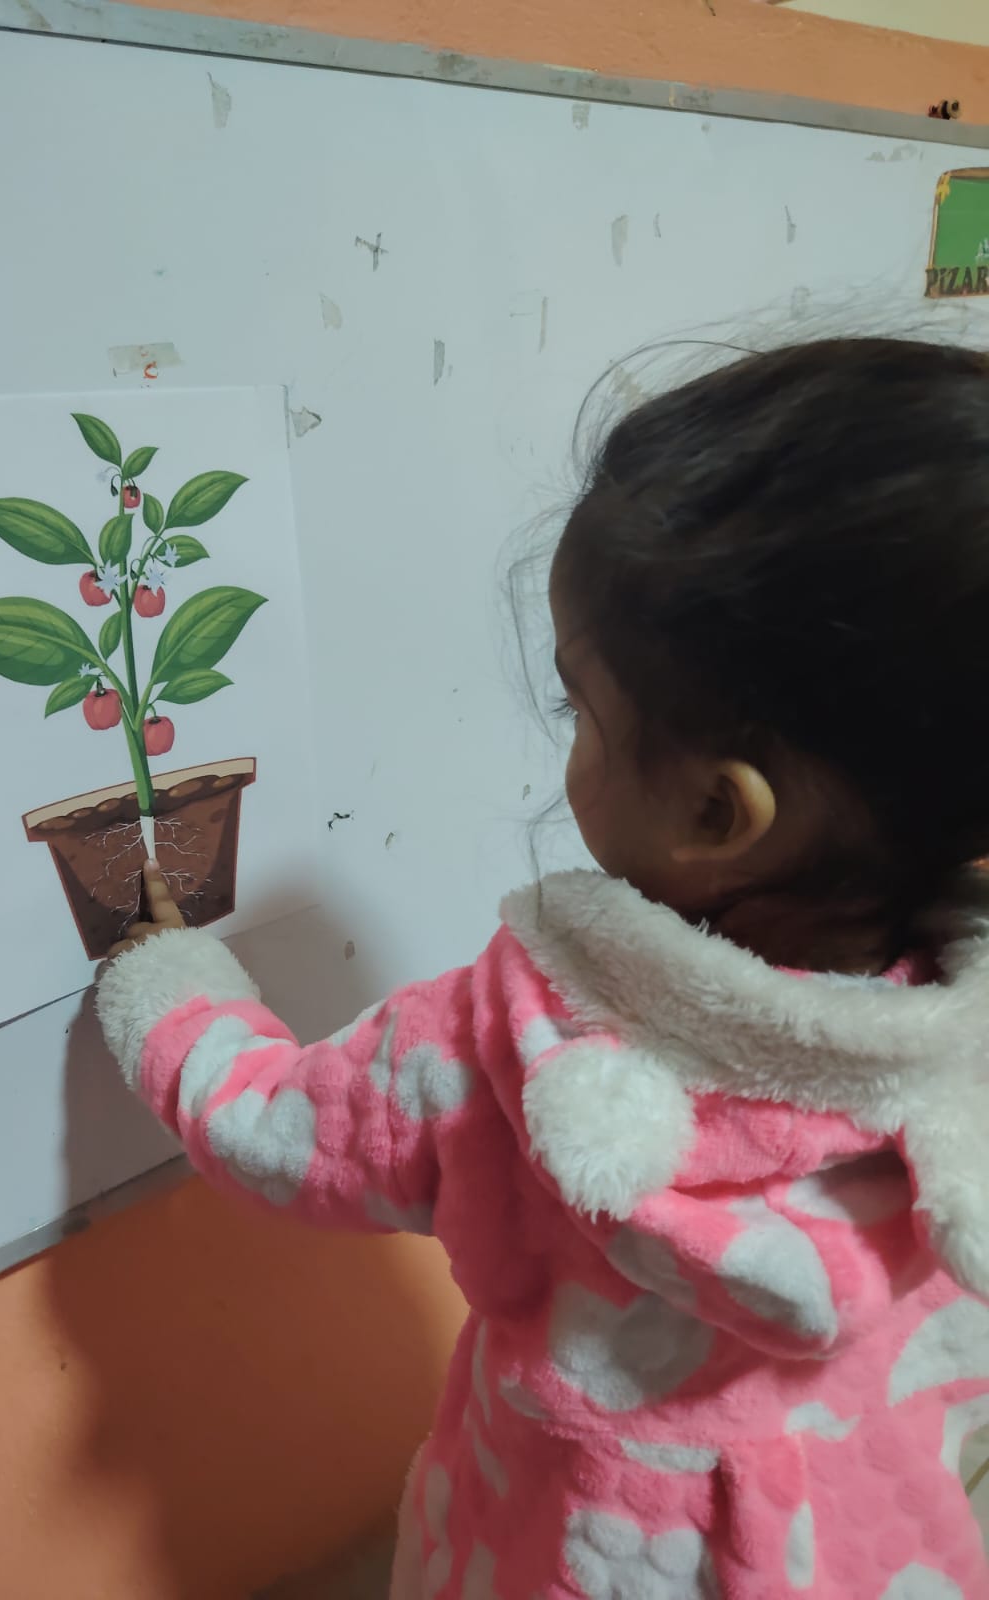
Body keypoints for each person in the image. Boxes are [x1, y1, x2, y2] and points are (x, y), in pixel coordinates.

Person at [97, 338, 989, 1599]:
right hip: (865, 1547)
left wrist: (170, 979)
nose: (567, 738)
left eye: (581, 706)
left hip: (576, 1552)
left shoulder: (516, 1039)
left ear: (717, 812)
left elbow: (274, 1129)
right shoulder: (963, 1055)